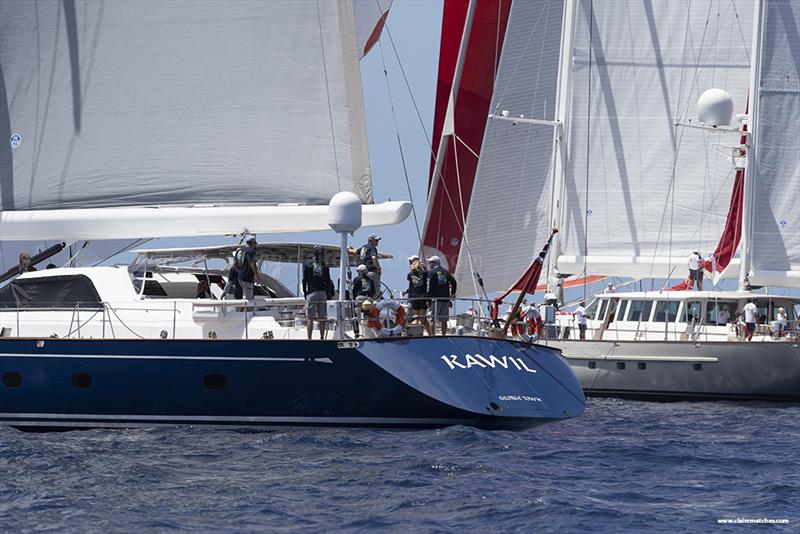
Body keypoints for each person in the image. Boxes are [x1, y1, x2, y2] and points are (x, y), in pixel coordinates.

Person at [302, 244, 334, 340]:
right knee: (322, 317)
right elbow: (328, 281)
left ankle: (309, 338)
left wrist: (305, 292)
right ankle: (322, 337)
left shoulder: (308, 264)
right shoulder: (324, 265)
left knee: (310, 318)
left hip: (312, 293)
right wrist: (328, 293)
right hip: (322, 293)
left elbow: (304, 280)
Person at [426, 256, 456, 336]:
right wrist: (452, 293)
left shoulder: (431, 272)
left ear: (434, 263)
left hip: (435, 299)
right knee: (444, 320)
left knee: (432, 319)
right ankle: (443, 336)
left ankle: (432, 336)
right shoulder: (445, 272)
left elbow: (429, 287)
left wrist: (428, 299)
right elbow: (454, 282)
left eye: (430, 262)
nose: (429, 264)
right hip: (445, 299)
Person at [403, 255, 431, 335]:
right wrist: (424, 268)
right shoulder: (424, 273)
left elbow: (411, 283)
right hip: (423, 297)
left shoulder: (410, 274)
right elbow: (428, 275)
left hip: (414, 298)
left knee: (417, 317)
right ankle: (421, 333)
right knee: (422, 318)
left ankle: (414, 332)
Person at [237, 236, 261, 301]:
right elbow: (253, 264)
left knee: (243, 295)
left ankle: (242, 310)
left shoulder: (241, 250)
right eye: (255, 243)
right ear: (252, 243)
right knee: (249, 298)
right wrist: (257, 276)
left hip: (240, 276)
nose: (255, 245)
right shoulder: (252, 251)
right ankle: (247, 310)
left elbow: (235, 263)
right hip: (247, 277)